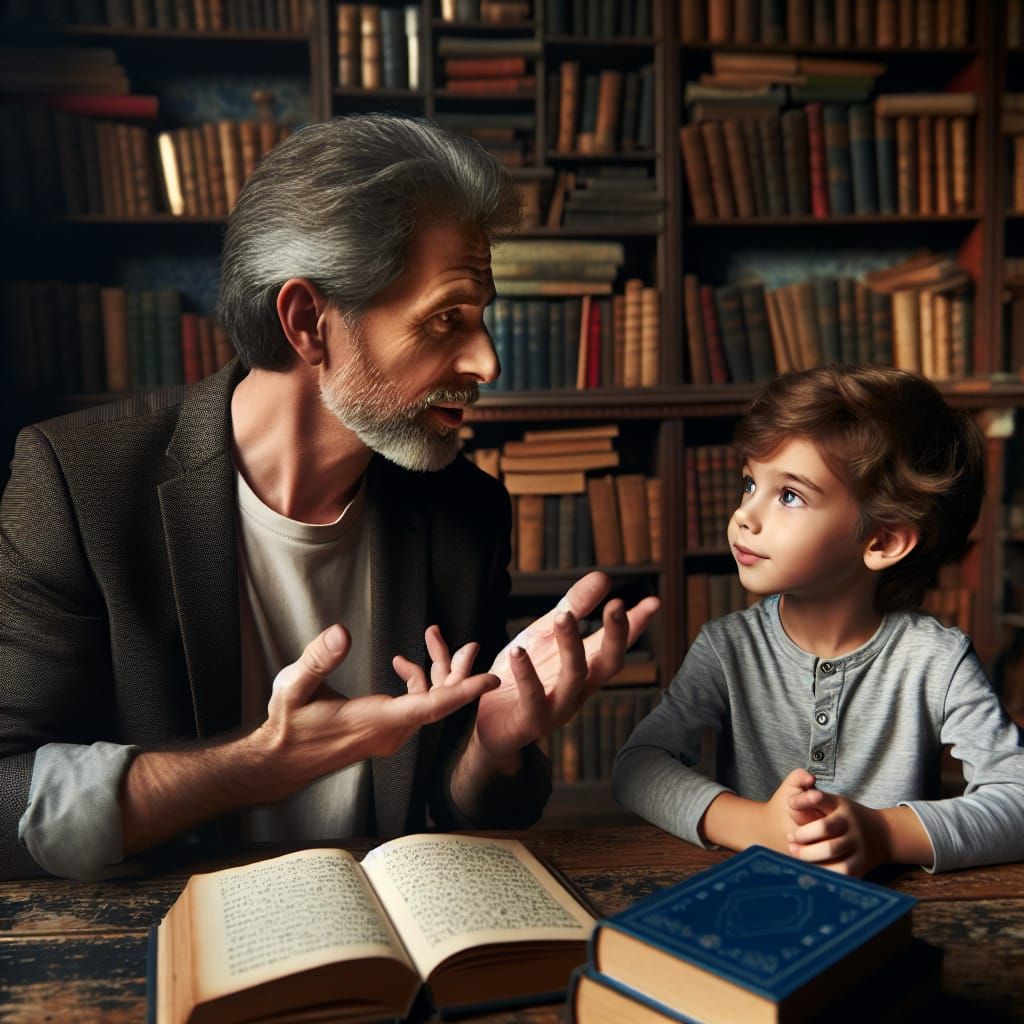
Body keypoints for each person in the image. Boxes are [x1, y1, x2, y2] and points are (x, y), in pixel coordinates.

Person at [0, 114, 659, 881]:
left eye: (482, 319)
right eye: (446, 320)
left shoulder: (467, 513)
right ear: (309, 322)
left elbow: (458, 814)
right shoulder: (78, 484)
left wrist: (491, 747)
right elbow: (7, 799)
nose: (488, 362)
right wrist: (252, 766)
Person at [613, 364, 1024, 875]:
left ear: (882, 541)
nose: (744, 515)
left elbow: (1018, 798)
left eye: (789, 495)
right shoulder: (727, 647)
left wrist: (883, 834)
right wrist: (757, 827)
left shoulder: (936, 661)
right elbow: (637, 766)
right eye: (750, 484)